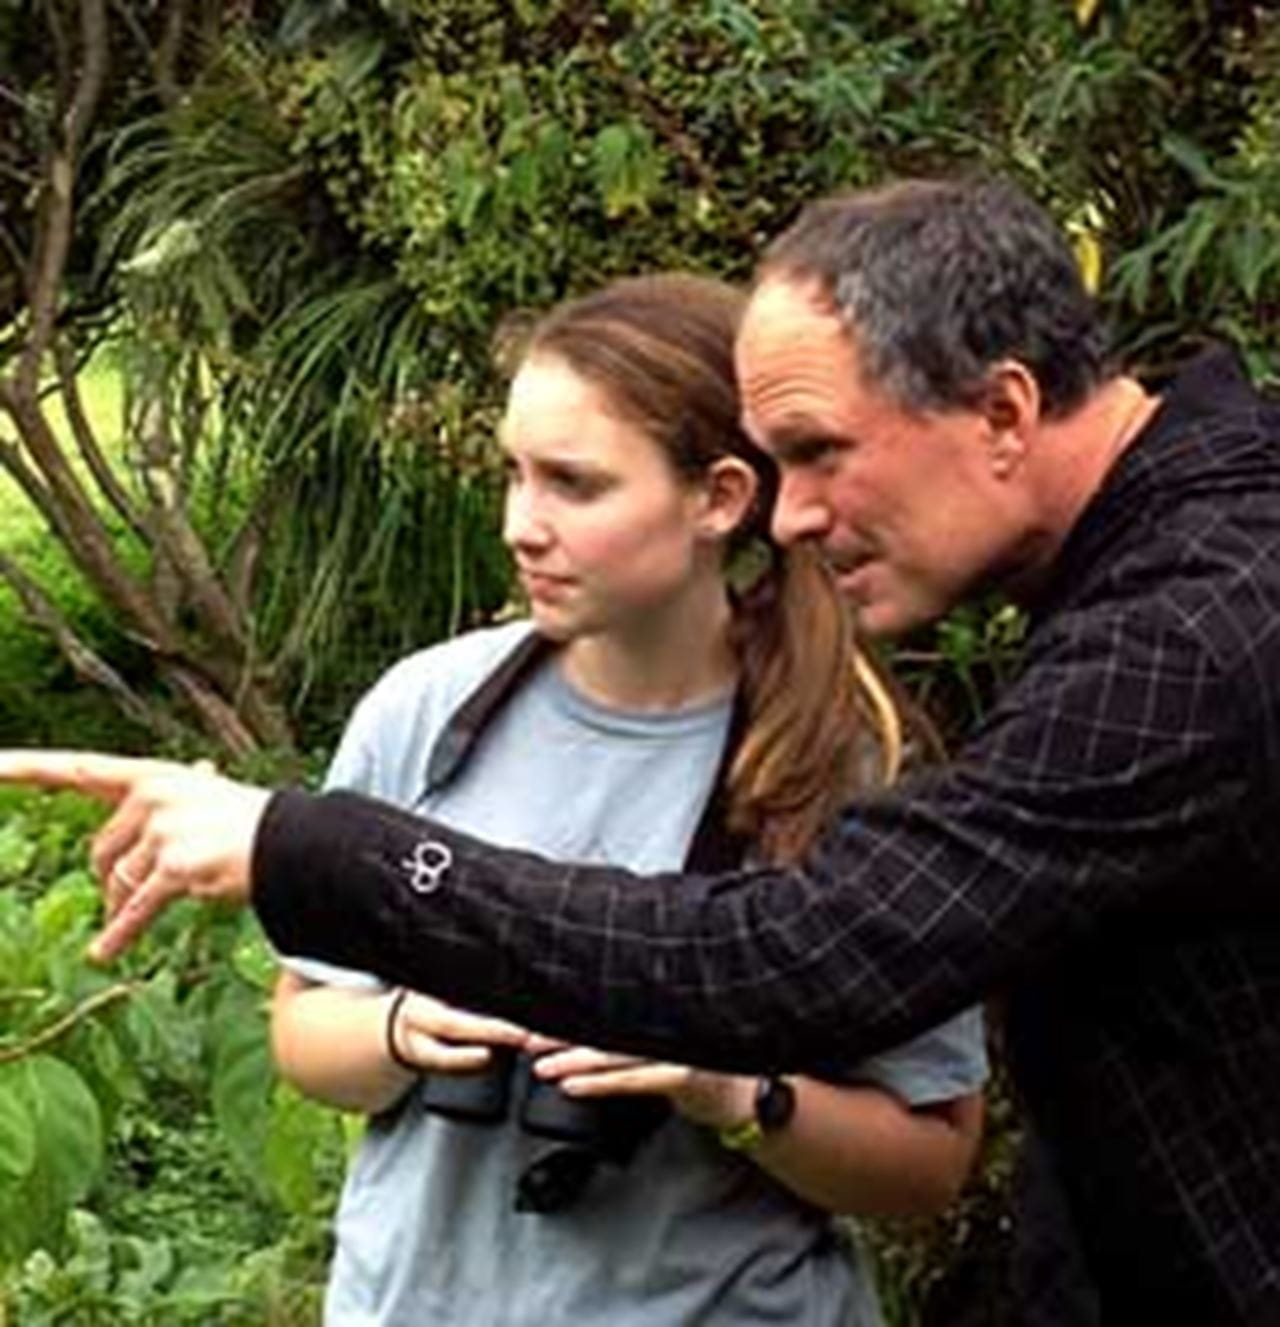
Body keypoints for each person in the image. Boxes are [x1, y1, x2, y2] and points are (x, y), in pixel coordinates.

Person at [4, 175, 1280, 1322]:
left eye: (822, 453)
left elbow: (796, 958)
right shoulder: (1175, 564)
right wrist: (396, 1015)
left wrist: (310, 844)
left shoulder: (1183, 642)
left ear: (1002, 408)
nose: (796, 516)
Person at [252, 274, 987, 1325]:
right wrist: (407, 1029)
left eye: (572, 484)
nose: (519, 524)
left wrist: (726, 1089)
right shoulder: (426, 708)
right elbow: (302, 1033)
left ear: (720, 498)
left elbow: (924, 1164)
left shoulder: (844, 763)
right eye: (512, 473)